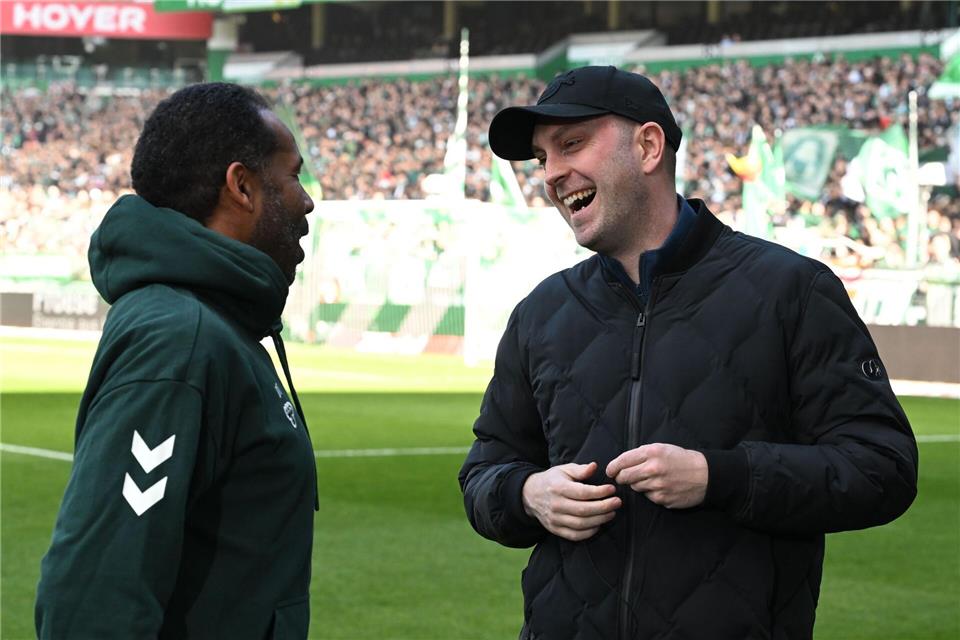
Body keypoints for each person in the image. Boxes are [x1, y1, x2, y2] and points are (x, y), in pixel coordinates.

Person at [459, 66, 918, 640]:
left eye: (571, 144)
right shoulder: (540, 313)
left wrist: (719, 477)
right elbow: (484, 470)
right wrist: (526, 495)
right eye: (541, 157)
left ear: (649, 146)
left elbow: (883, 468)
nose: (551, 174)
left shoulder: (792, 290)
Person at [35, 83, 318, 639]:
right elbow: (94, 597)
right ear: (242, 186)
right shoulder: (178, 340)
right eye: (293, 176)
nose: (306, 200)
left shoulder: (215, 326)